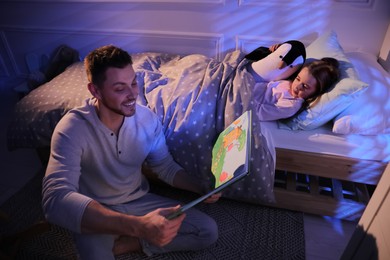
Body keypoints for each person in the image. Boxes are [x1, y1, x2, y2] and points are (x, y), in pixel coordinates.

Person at [42, 45, 220, 259]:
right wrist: (139, 226)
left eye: (133, 83)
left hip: (136, 200)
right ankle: (123, 238)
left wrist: (200, 187)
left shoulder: (147, 119)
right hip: (97, 210)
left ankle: (130, 244)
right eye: (119, 88)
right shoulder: (72, 128)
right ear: (95, 91)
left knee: (208, 231)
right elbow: (54, 200)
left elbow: (165, 166)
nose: (132, 94)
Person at [253, 57, 340, 121]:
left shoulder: (291, 105)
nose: (297, 86)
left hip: (246, 101)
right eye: (298, 79)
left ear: (316, 92)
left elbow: (259, 113)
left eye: (305, 86)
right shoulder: (288, 82)